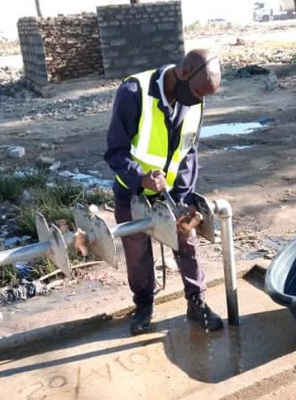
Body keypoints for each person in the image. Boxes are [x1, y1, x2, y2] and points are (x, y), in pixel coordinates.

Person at [104, 49, 222, 335]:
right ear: (183, 72)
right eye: (197, 93)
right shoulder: (134, 92)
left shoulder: (194, 101)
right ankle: (144, 306)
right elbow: (115, 151)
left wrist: (183, 197)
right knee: (138, 253)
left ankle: (196, 302)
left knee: (187, 241)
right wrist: (140, 178)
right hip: (133, 193)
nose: (198, 101)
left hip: (171, 194)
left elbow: (189, 152)